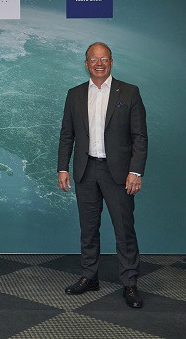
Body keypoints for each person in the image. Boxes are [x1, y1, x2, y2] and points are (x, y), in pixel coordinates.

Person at [57, 42, 148, 308]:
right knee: (88, 229)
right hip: (85, 171)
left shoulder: (129, 92)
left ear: (111, 62)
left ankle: (129, 283)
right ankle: (89, 276)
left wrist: (135, 171)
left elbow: (140, 137)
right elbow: (67, 135)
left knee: (124, 229)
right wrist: (63, 168)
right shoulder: (74, 94)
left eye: (104, 59)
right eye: (94, 59)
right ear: (86, 64)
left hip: (118, 173)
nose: (99, 64)